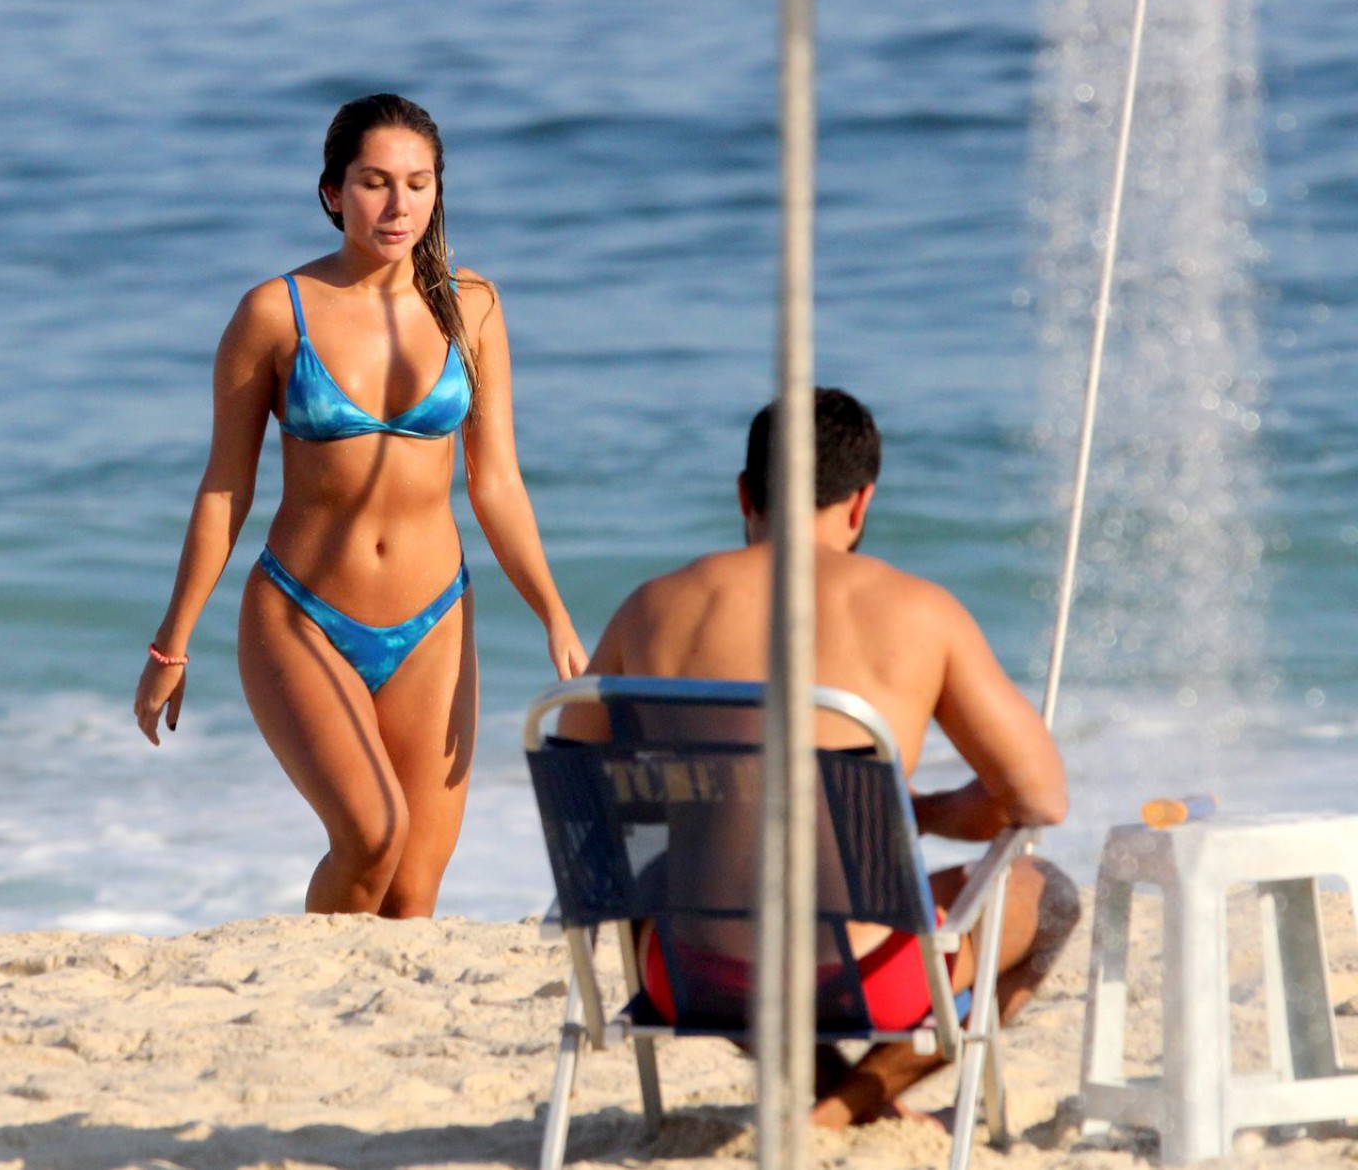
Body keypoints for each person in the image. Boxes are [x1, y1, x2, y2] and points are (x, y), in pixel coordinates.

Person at [569, 387, 1076, 1128]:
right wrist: (928, 811)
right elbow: (1039, 799)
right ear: (862, 501)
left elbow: (586, 792)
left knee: (718, 885)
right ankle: (840, 1113)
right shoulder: (916, 611)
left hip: (686, 974)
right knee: (1050, 892)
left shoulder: (651, 606)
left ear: (746, 492)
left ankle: (835, 1105)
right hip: (863, 979)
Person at [134, 94, 587, 919]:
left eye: (418, 183)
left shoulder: (471, 306)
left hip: (434, 620)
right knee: (372, 835)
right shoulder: (275, 312)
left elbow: (497, 482)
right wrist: (173, 645)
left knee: (413, 891)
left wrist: (553, 612)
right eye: (375, 182)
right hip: (303, 614)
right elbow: (223, 489)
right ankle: (303, 980)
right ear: (333, 192)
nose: (398, 204)